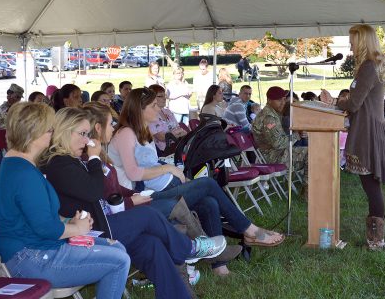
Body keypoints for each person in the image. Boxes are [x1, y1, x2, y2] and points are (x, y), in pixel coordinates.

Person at [40, 106, 227, 299]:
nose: (87, 140)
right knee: (148, 215)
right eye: (82, 134)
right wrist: (95, 157)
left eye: (87, 134)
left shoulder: (72, 159)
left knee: (151, 245)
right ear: (65, 131)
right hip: (88, 233)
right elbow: (94, 191)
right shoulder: (59, 163)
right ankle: (188, 248)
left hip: (100, 224)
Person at [109, 88, 285, 276]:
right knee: (208, 184)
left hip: (153, 191)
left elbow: (148, 164)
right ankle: (249, 230)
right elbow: (134, 173)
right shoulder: (126, 133)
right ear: (139, 109)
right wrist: (169, 169)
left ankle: (220, 265)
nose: (159, 109)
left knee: (208, 202)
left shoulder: (142, 131)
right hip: (138, 199)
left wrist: (171, 169)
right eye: (153, 106)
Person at [0, 102, 131, 298]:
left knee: (116, 247)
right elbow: (46, 229)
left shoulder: (17, 164)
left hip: (32, 250)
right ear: (35, 133)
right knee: (119, 260)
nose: (52, 133)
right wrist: (78, 229)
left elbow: (36, 218)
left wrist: (68, 222)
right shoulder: (24, 174)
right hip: (31, 258)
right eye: (49, 129)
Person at [320, 24, 385, 250]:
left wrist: (333, 101)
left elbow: (354, 103)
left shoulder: (368, 67)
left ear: (362, 42)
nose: (350, 46)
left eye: (353, 42)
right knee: (372, 184)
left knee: (371, 185)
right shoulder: (374, 64)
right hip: (373, 128)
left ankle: (376, 240)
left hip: (368, 131)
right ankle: (376, 238)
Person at [252, 86, 308, 189]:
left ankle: (309, 187)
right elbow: (277, 143)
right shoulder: (269, 118)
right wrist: (297, 135)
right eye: (279, 100)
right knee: (310, 153)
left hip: (277, 152)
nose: (283, 103)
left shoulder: (274, 113)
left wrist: (297, 133)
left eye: (283, 100)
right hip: (272, 156)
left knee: (309, 150)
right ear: (269, 100)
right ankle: (308, 190)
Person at [148, 84, 187, 154]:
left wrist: (174, 134)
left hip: (177, 147)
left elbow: (180, 130)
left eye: (165, 95)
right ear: (151, 98)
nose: (164, 98)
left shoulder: (167, 111)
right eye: (160, 96)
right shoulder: (150, 115)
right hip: (163, 152)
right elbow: (162, 137)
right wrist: (176, 133)